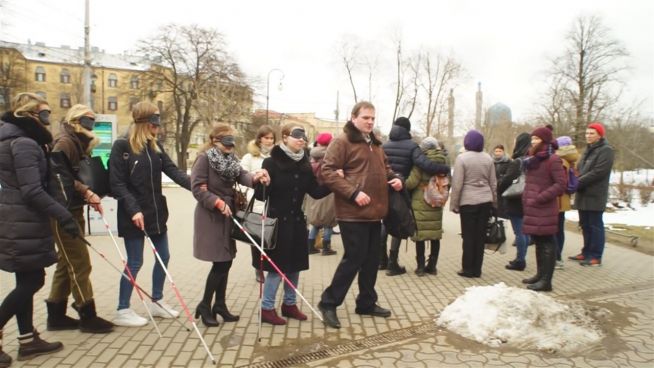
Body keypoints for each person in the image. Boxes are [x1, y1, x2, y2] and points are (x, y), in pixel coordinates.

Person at [0, 92, 76, 362]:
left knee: (26, 278)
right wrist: (64, 216)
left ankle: (27, 341)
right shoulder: (24, 144)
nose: (48, 118)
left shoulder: (14, 139)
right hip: (23, 221)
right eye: (44, 113)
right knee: (33, 280)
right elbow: (32, 190)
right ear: (30, 115)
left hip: (17, 219)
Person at [318, 101, 403, 329]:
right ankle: (328, 303)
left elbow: (386, 169)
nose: (370, 122)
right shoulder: (342, 141)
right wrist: (353, 193)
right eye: (366, 117)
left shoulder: (375, 143)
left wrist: (395, 178)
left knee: (371, 260)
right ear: (353, 117)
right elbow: (327, 172)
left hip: (376, 212)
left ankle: (366, 302)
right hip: (352, 212)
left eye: (373, 118)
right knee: (354, 259)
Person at [109, 101, 191, 327]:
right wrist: (133, 209)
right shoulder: (122, 146)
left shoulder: (154, 146)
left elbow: (173, 171)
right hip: (133, 214)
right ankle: (122, 309)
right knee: (135, 262)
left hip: (156, 213)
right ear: (144, 122)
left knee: (163, 257)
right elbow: (117, 183)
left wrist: (197, 186)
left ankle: (157, 301)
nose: (159, 125)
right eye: (155, 120)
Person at [191, 124, 269, 327]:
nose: (231, 144)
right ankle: (205, 305)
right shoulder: (204, 159)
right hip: (211, 216)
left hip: (228, 214)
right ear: (215, 140)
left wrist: (255, 176)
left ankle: (220, 305)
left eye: (232, 140)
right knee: (221, 262)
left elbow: (242, 175)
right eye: (226, 140)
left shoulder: (231, 159)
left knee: (226, 259)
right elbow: (197, 188)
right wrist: (216, 202)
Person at [45, 104, 114, 334]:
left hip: (72, 209)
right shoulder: (65, 142)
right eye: (87, 119)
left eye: (93, 120)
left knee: (67, 264)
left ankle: (55, 316)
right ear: (75, 119)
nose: (91, 124)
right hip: (62, 211)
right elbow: (59, 177)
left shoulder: (79, 142)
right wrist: (86, 191)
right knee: (80, 263)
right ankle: (88, 315)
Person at [253, 123, 330, 325]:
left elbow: (315, 192)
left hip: (297, 223)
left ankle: (289, 304)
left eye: (303, 137)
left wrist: (333, 183)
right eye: (297, 136)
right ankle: (267, 308)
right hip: (277, 223)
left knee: (294, 266)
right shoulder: (270, 163)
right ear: (285, 137)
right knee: (277, 268)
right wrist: (260, 183)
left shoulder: (305, 164)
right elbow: (261, 197)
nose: (301, 140)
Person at [380, 117, 450, 275]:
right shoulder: (412, 146)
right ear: (407, 129)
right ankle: (392, 264)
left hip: (385, 188)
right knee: (399, 223)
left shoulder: (384, 146)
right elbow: (424, 165)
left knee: (385, 223)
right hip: (401, 189)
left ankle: (382, 261)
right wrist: (444, 168)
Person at [521, 127, 566, 291]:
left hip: (544, 208)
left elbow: (561, 184)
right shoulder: (532, 159)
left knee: (547, 243)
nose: (533, 141)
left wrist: (541, 197)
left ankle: (546, 281)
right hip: (533, 207)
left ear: (545, 141)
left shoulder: (553, 159)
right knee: (539, 242)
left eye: (537, 139)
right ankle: (540, 275)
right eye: (532, 138)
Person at [449, 130, 496, 278]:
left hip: (468, 202)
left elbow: (457, 184)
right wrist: (494, 202)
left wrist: (454, 204)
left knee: (468, 236)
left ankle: (467, 268)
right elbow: (493, 183)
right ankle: (477, 269)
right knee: (480, 236)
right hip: (485, 201)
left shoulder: (462, 159)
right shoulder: (488, 159)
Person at [569, 123, 614, 267]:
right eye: (587, 133)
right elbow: (579, 168)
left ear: (600, 135)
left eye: (592, 133)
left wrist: (577, 182)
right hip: (583, 193)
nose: (588, 136)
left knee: (595, 225)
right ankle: (586, 252)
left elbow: (598, 172)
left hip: (595, 194)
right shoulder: (588, 150)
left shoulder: (606, 150)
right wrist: (574, 177)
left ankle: (595, 255)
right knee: (585, 225)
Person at [405, 137, 450, 276]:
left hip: (421, 201)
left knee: (420, 235)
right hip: (437, 200)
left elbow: (411, 182)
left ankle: (420, 267)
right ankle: (432, 266)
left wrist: (404, 183)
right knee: (435, 235)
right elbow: (449, 181)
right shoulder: (445, 160)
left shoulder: (420, 161)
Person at [240, 125, 275, 283]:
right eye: (266, 137)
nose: (269, 141)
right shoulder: (250, 157)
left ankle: (270, 266)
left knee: (270, 235)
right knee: (256, 238)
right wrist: (257, 176)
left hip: (272, 203)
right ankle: (258, 268)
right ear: (259, 139)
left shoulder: (276, 156)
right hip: (255, 203)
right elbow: (241, 176)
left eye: (271, 138)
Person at [498, 133, 531, 271]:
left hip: (516, 200)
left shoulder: (517, 161)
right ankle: (522, 257)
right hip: (529, 198)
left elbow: (506, 181)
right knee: (526, 231)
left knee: (519, 232)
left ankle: (520, 260)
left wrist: (500, 184)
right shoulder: (532, 159)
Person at [305, 132, 337, 256]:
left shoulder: (311, 156)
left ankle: (310, 246)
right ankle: (326, 247)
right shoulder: (331, 156)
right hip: (328, 192)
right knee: (329, 222)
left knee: (316, 222)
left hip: (313, 193)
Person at [554, 136, 579, 269]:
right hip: (563, 200)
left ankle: (556, 258)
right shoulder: (570, 159)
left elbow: (559, 182)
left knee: (555, 230)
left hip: (557, 199)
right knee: (559, 229)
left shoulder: (560, 160)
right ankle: (557, 257)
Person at [492, 144, 511, 219]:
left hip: (504, 188)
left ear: (503, 152)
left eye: (500, 151)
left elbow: (510, 174)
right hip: (493, 188)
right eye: (496, 151)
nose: (498, 153)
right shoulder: (490, 162)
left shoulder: (508, 161)